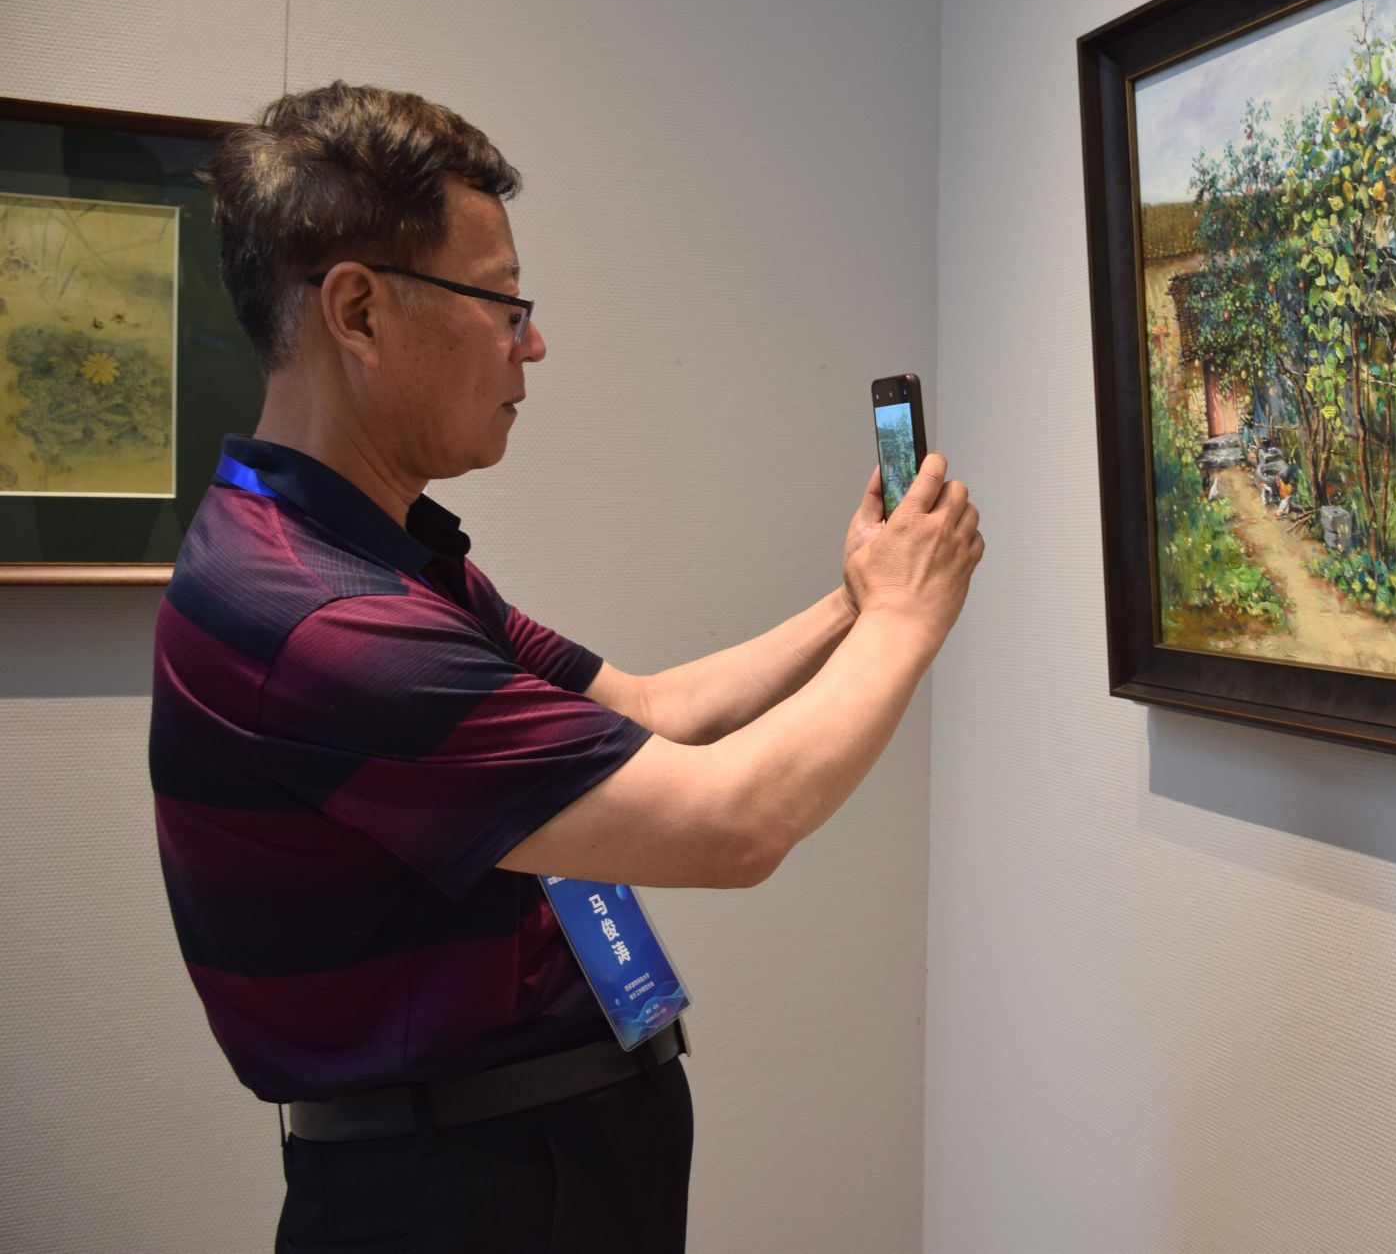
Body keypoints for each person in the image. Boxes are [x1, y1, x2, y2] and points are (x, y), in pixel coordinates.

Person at [148, 81, 982, 1253]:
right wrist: (905, 622)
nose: (531, 342)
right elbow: (732, 825)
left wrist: (853, 602)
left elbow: (647, 707)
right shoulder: (320, 621)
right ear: (359, 312)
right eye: (502, 303)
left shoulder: (358, 552)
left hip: (512, 1163)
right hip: (462, 1198)